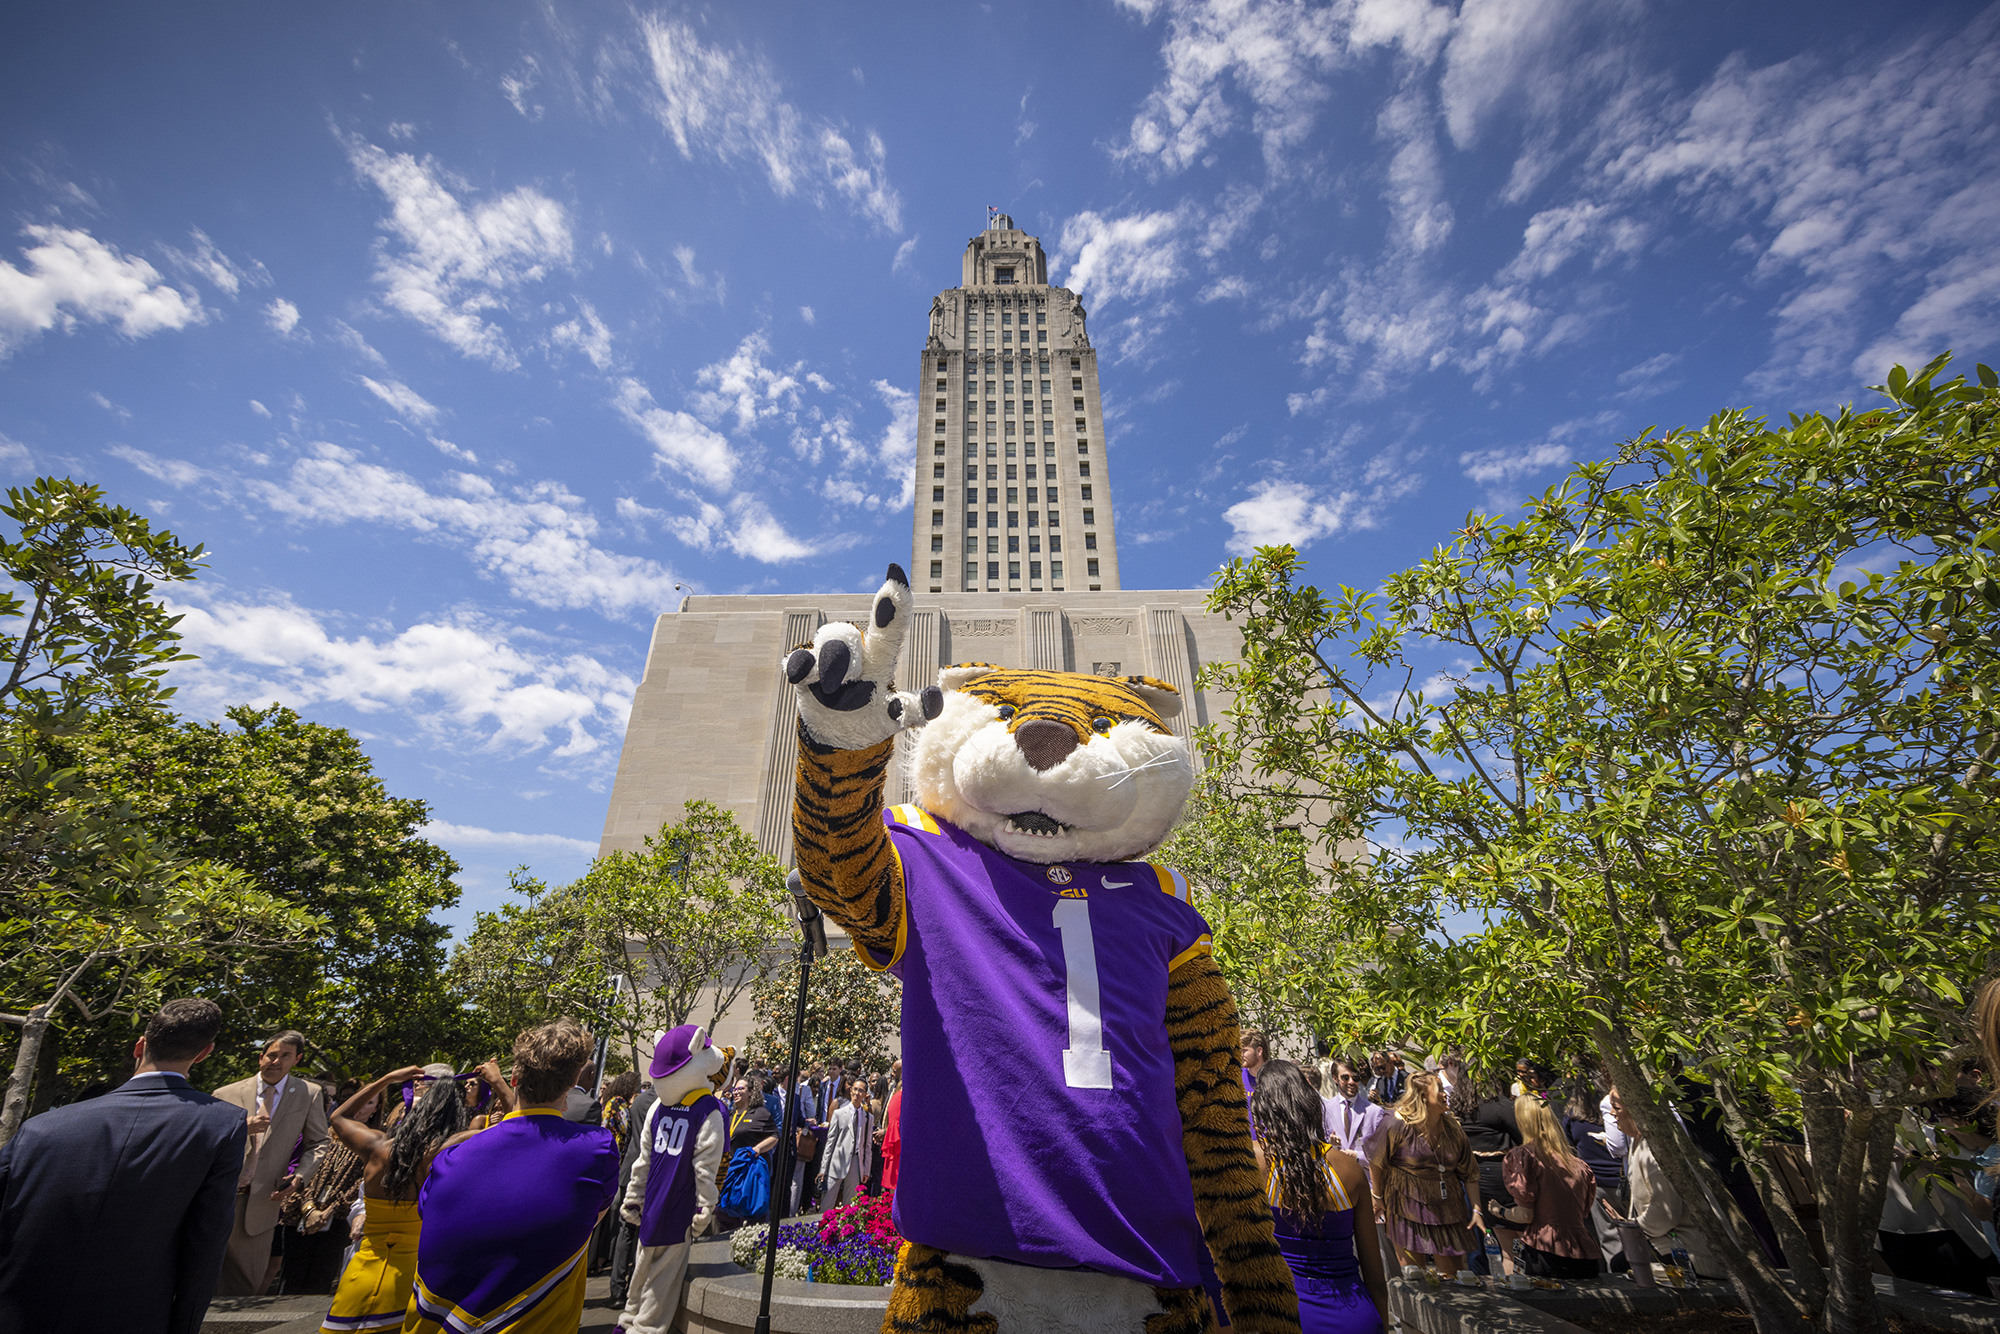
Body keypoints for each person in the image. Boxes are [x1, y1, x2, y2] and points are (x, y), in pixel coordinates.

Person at [0, 998, 246, 1334]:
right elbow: (206, 1241)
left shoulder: (42, 1127)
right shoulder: (221, 1125)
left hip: (20, 1312)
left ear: (140, 1046)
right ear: (204, 1053)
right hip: (134, 1316)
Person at [405, 1018, 621, 1334]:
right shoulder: (596, 1149)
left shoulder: (450, 1158)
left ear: (515, 1078)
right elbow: (589, 1219)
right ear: (574, 1079)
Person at [320, 1062, 502, 1333]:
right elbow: (517, 1128)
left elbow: (338, 1118)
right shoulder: (449, 1148)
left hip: (360, 1275)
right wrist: (497, 1082)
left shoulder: (376, 1146)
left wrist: (388, 1078)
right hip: (413, 1277)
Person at [1251, 1062, 1387, 1333]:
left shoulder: (1255, 1162)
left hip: (1286, 1314)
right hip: (1355, 1314)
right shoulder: (1348, 1169)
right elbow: (1374, 1274)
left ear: (1262, 1106)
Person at [214, 1030, 330, 1295]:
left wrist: (300, 1176)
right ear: (260, 1058)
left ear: (297, 1059)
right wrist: (241, 1128)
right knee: (203, 1282)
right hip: (218, 1198)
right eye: (271, 1055)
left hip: (262, 1203)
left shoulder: (308, 1094)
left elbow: (319, 1143)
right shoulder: (224, 1093)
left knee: (245, 1288)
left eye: (285, 1056)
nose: (275, 1062)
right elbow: (207, 1140)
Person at [1368, 1071, 1476, 1277]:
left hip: (1448, 1206)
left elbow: (1470, 1171)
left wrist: (1477, 1209)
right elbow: (1376, 1160)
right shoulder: (1396, 1124)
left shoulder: (1452, 1127)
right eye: (1440, 1089)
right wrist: (1377, 1197)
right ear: (1423, 1095)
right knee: (1414, 1276)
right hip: (1406, 1203)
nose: (1446, 1094)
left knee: (1455, 1276)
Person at [280, 1079, 378, 1295]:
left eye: (370, 1102)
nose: (362, 1107)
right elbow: (306, 1171)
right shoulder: (322, 1134)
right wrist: (309, 1209)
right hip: (302, 1214)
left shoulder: (378, 1142)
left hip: (339, 1220)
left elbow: (363, 1183)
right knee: (290, 1280)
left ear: (376, 1109)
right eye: (358, 1101)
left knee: (321, 1280)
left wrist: (330, 1211)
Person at [1614, 1088, 1723, 1280]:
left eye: (1616, 1108)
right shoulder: (1637, 1142)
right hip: (1666, 1240)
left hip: (1691, 1252)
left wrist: (1631, 1226)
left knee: (1621, 1264)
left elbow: (1664, 1216)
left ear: (1635, 1109)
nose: (1612, 1114)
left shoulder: (1656, 1149)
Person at [1491, 1095, 1598, 1280]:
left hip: (1545, 1250)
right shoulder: (1578, 1165)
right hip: (1584, 1253)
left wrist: (1499, 1211)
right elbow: (1583, 1212)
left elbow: (1525, 1215)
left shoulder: (1524, 1157)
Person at [1460, 1074, 1522, 1274]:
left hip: (1477, 1181)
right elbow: (1523, 1137)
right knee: (1519, 1246)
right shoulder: (1500, 1106)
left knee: (1505, 1251)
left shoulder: (1459, 1110)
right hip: (1504, 1178)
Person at [1561, 1082, 1625, 1271]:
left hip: (1596, 1183)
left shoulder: (1573, 1116)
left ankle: (1620, 1279)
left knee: (1610, 1238)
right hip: (1624, 1177)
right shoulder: (1616, 1110)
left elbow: (1569, 1148)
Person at [820, 1079, 876, 1209]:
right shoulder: (839, 1114)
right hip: (837, 1161)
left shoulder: (868, 1118)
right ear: (851, 1091)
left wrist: (866, 1170)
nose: (857, 1093)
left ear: (865, 1094)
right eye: (855, 1089)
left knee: (850, 1204)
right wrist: (824, 1169)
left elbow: (867, 1146)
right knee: (828, 1200)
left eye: (861, 1090)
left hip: (856, 1162)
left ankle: (846, 1229)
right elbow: (830, 1142)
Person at [1325, 1060, 1386, 1169]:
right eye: (1345, 1078)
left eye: (1355, 1078)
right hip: (1338, 1178)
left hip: (1365, 1179)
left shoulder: (1374, 1112)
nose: (1351, 1082)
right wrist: (1333, 1146)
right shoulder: (1325, 1110)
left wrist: (1357, 1156)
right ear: (1335, 1079)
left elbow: (1382, 1152)